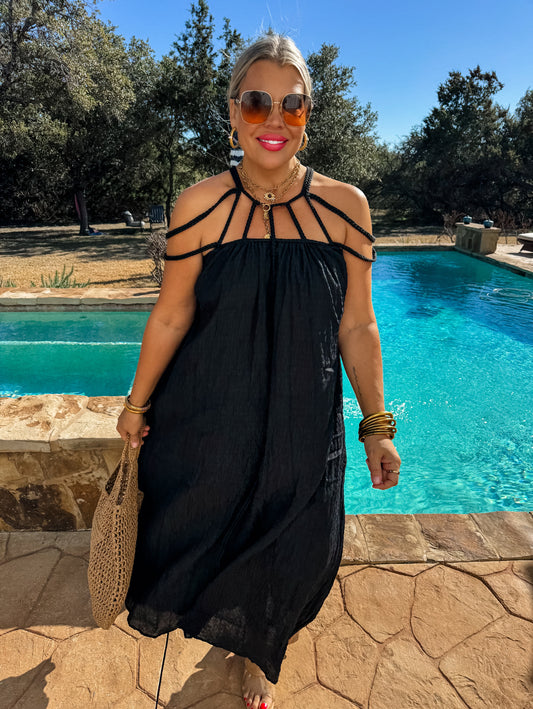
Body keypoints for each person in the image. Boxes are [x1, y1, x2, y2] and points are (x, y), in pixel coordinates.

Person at [117, 33, 401, 709]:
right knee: (205, 533)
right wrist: (136, 404)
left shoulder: (346, 207)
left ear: (308, 114)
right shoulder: (199, 205)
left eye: (291, 105)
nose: (273, 120)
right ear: (232, 112)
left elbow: (357, 325)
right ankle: (237, 633)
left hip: (304, 422)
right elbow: (171, 314)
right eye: (256, 102)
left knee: (300, 545)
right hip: (211, 415)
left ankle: (259, 651)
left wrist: (376, 425)